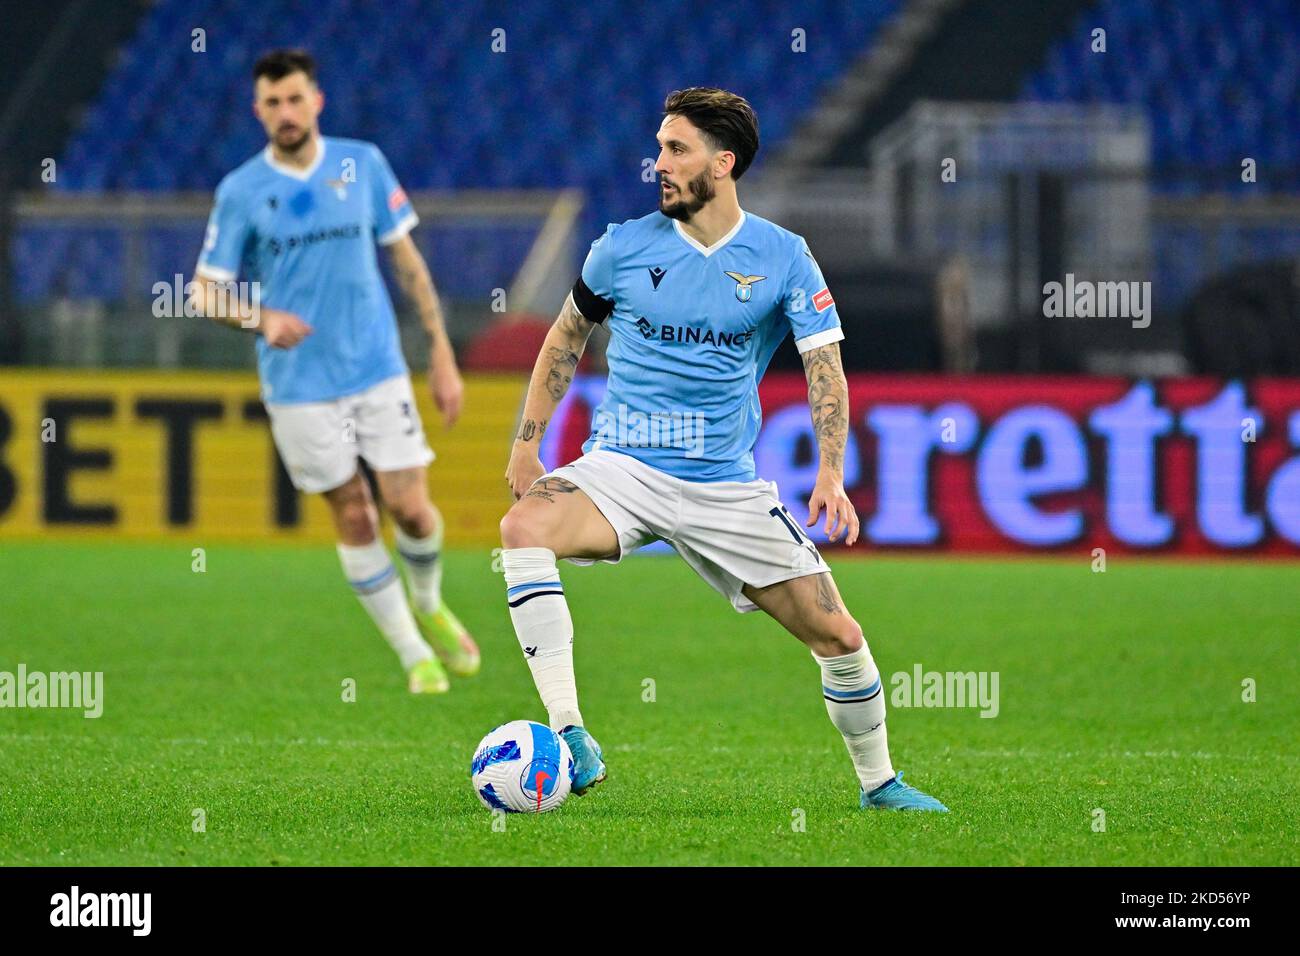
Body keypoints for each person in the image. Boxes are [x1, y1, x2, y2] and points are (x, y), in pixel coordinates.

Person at [499, 88, 947, 810]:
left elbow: (823, 367)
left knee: (838, 634)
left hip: (724, 486)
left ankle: (880, 784)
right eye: (659, 148)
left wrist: (831, 471)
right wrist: (528, 447)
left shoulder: (784, 258)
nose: (660, 164)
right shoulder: (620, 247)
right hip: (624, 465)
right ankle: (571, 731)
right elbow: (565, 337)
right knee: (522, 528)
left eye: (676, 149)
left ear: (724, 161)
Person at [189, 49, 478, 694]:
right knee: (352, 513)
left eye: (295, 99)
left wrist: (439, 350)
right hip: (298, 384)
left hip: (376, 367)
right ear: (257, 110)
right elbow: (203, 292)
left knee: (410, 509)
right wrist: (260, 319)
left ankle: (429, 601)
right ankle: (412, 654)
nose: (285, 113)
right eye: (272, 103)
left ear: (315, 101)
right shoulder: (240, 191)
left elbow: (407, 263)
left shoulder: (362, 163)